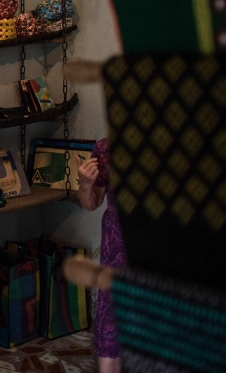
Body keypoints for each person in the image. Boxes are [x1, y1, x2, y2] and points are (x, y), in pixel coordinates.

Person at [77, 138, 126, 373]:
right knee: (111, 323)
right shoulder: (106, 148)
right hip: (117, 250)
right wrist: (85, 184)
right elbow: (92, 202)